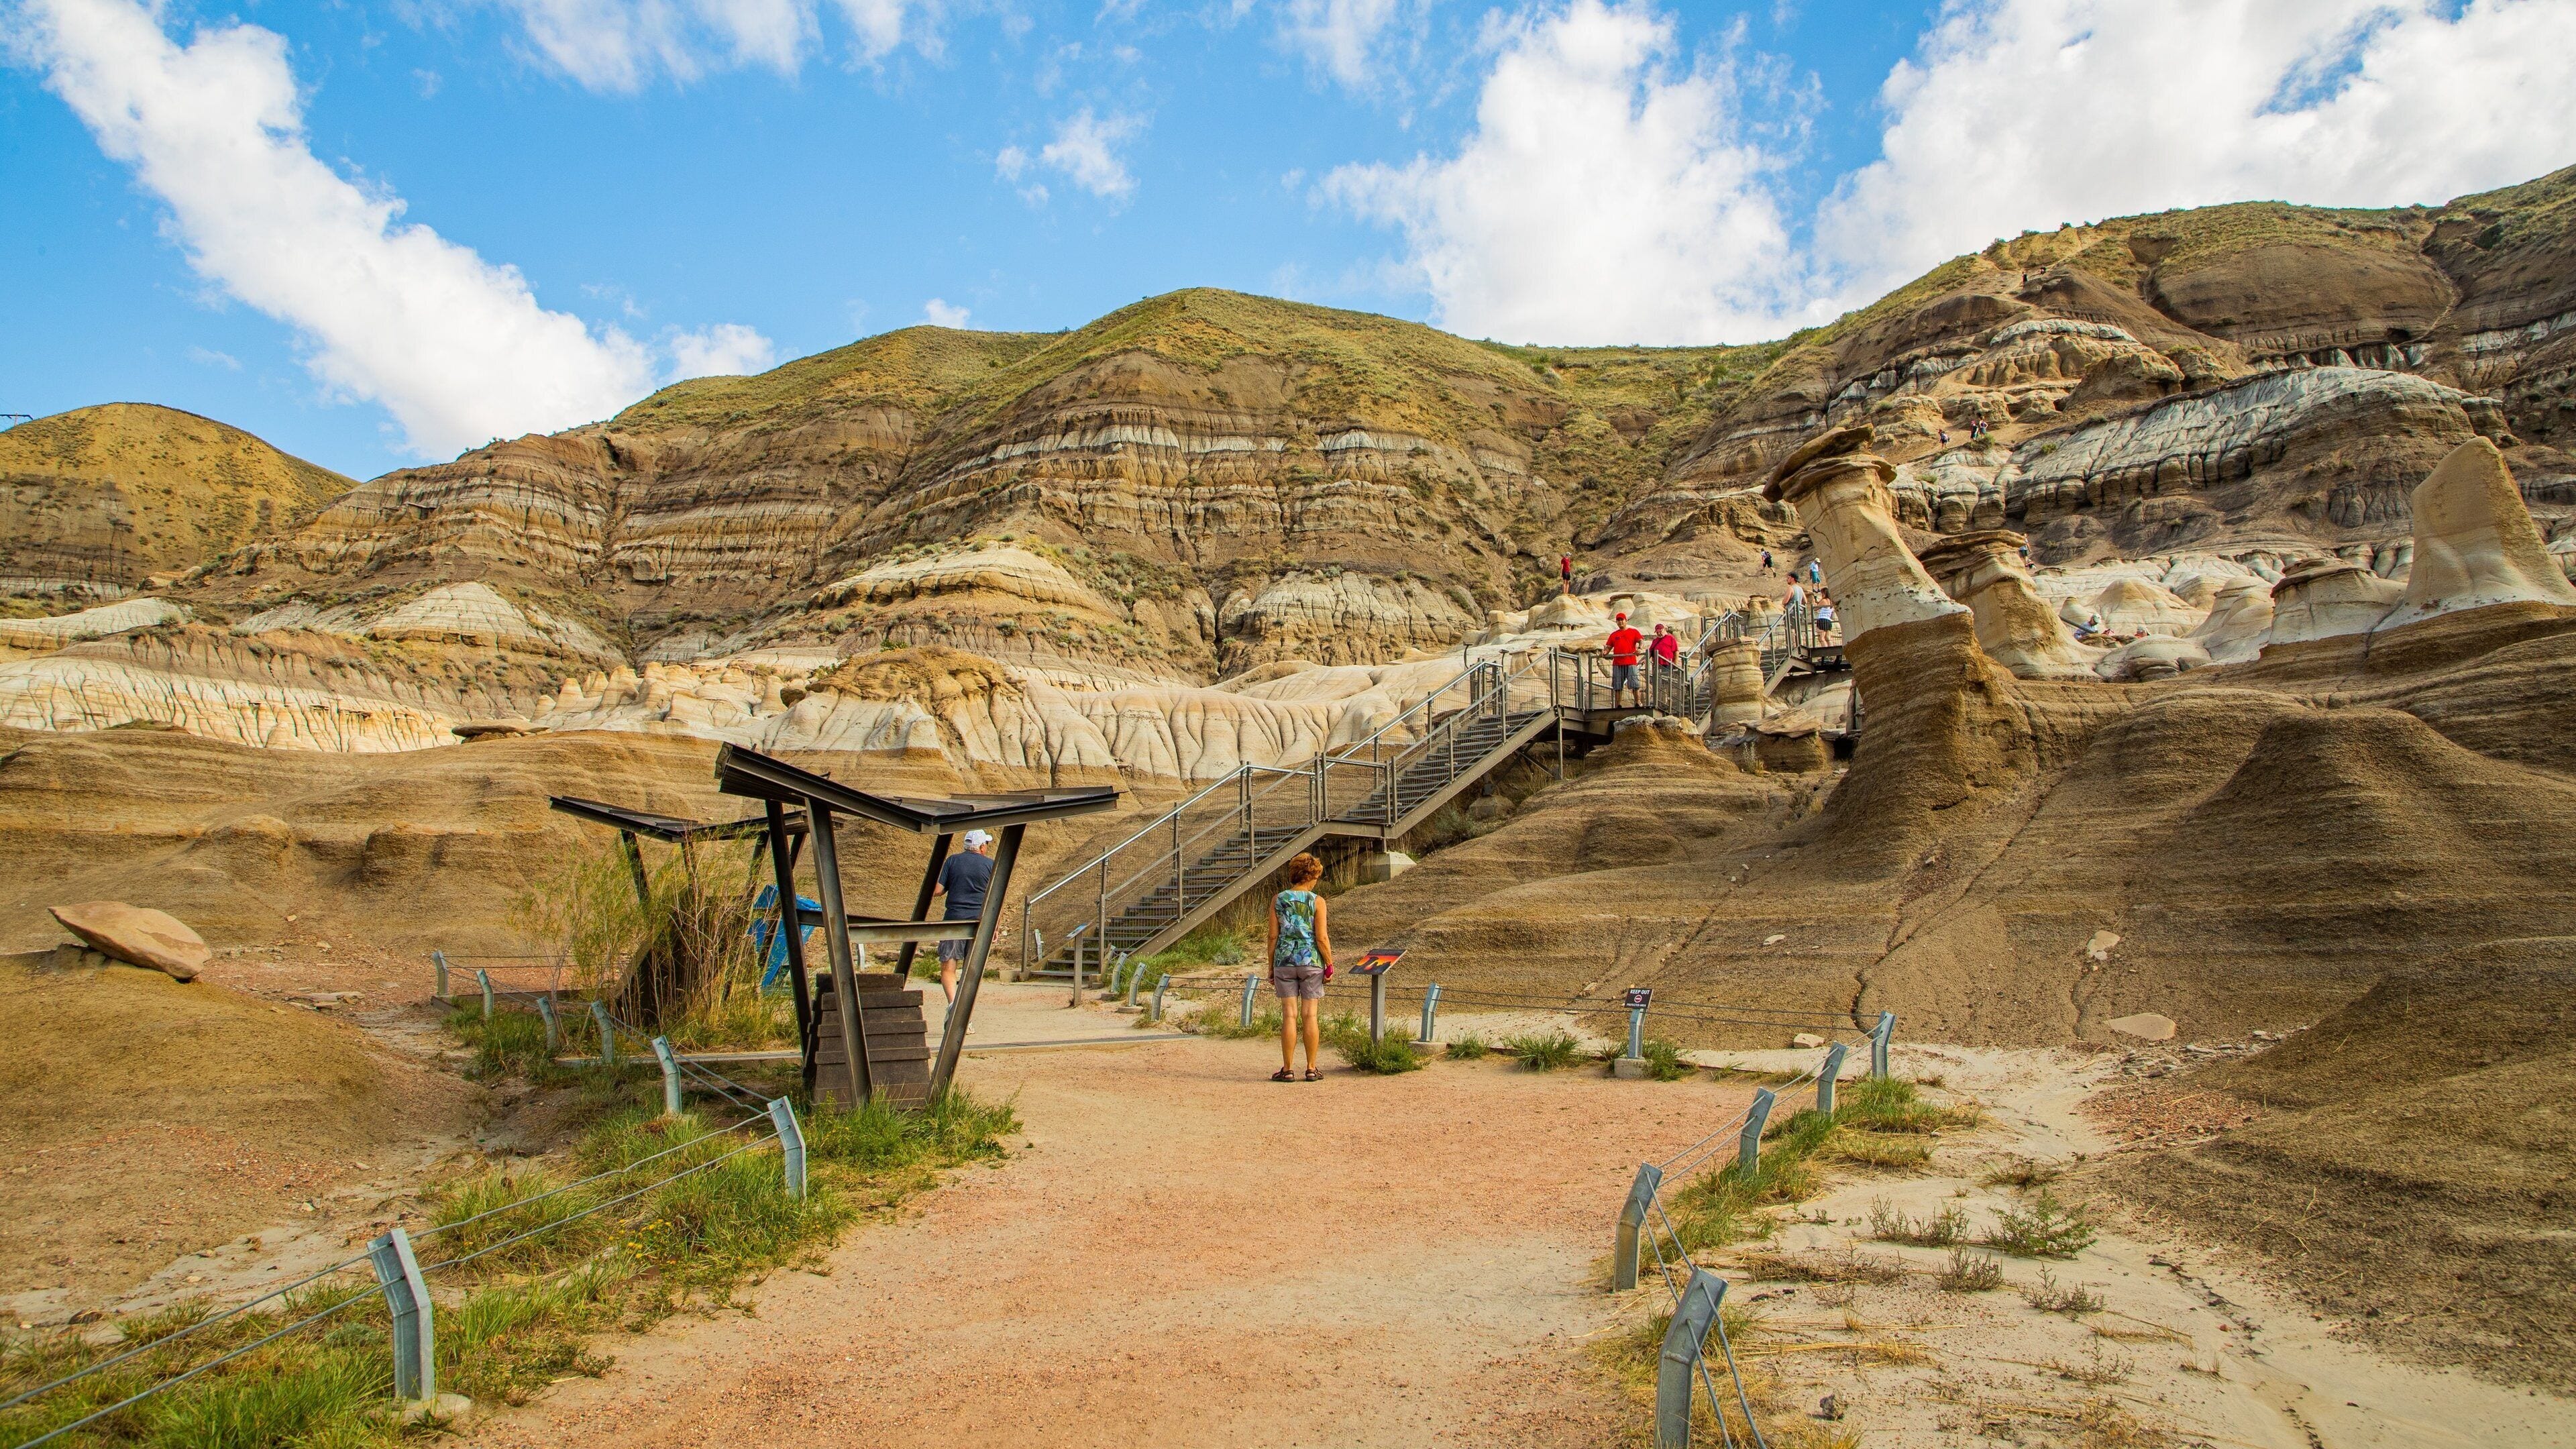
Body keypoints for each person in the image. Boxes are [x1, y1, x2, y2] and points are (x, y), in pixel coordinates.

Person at [1267, 853, 1333, 1081]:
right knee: (1310, 1015)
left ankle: (1287, 1070)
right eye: (1316, 876)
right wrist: (1329, 964)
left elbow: (1273, 936)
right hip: (1310, 962)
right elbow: (1322, 937)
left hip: (1284, 961)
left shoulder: (1278, 900)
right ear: (1311, 875)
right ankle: (1312, 1068)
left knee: (1289, 1016)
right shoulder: (1317, 901)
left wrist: (1271, 967)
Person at [928, 828, 995, 1008]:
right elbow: (997, 899)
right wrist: (995, 926)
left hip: (954, 920)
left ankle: (952, 1004)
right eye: (986, 845)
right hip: (979, 922)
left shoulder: (952, 861)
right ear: (981, 847)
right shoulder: (991, 865)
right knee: (971, 971)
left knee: (948, 968)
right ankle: (964, 1012)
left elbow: (937, 891)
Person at [1605, 612, 1644, 707]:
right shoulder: (1614, 635)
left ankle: (1637, 703)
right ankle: (1618, 705)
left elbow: (1641, 640)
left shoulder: (1633, 632)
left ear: (1626, 621)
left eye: (1622, 620)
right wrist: (1605, 652)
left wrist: (1640, 648)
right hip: (1618, 663)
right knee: (1617, 685)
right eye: (1618, 620)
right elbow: (1608, 646)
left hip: (1630, 662)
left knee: (1634, 684)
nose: (1620, 622)